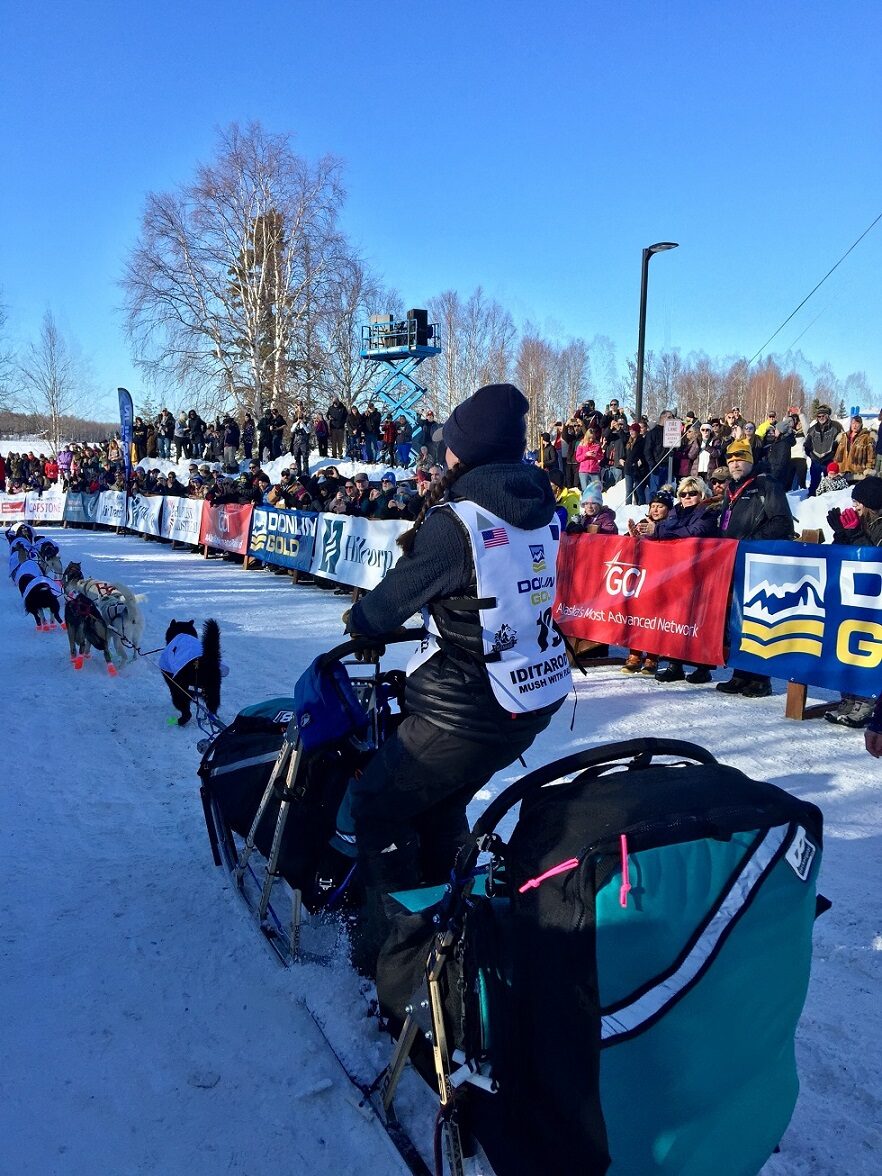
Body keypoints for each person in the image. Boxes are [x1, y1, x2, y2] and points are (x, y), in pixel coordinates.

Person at [343, 383, 571, 975]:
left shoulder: (458, 522)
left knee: (377, 806)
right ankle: (458, 929)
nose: (442, 451)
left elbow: (391, 602)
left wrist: (360, 622)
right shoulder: (541, 505)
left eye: (449, 442)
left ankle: (393, 957)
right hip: (531, 693)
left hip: (468, 706)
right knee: (441, 805)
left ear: (466, 451)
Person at [715, 439, 795, 698]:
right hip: (734, 561)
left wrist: (750, 543)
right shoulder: (731, 488)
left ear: (750, 460)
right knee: (737, 619)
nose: (735, 464)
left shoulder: (766, 484)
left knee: (758, 619)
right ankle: (741, 672)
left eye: (740, 458)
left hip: (760, 562)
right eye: (731, 460)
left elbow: (782, 522)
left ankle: (760, 678)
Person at [824, 477, 882, 728]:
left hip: (874, 598)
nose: (855, 507)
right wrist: (842, 534)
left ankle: (867, 702)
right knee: (846, 646)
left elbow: (873, 557)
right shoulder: (862, 523)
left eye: (859, 502)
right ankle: (848, 698)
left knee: (867, 649)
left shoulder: (878, 526)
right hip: (852, 594)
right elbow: (843, 555)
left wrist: (856, 533)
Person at [804, 406, 843, 496]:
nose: (821, 418)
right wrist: (811, 455)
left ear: (827, 415)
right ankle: (811, 499)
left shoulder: (836, 426)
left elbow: (842, 442)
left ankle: (829, 500)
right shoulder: (812, 429)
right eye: (819, 416)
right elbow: (807, 444)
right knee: (814, 482)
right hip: (816, 460)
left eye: (823, 415)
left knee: (830, 483)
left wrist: (835, 454)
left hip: (830, 460)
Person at [832, 415, 875, 480]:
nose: (855, 425)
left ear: (861, 425)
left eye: (857, 423)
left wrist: (868, 470)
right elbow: (837, 455)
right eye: (853, 423)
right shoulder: (844, 436)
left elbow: (871, 456)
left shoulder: (867, 438)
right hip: (842, 472)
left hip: (858, 473)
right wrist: (834, 467)